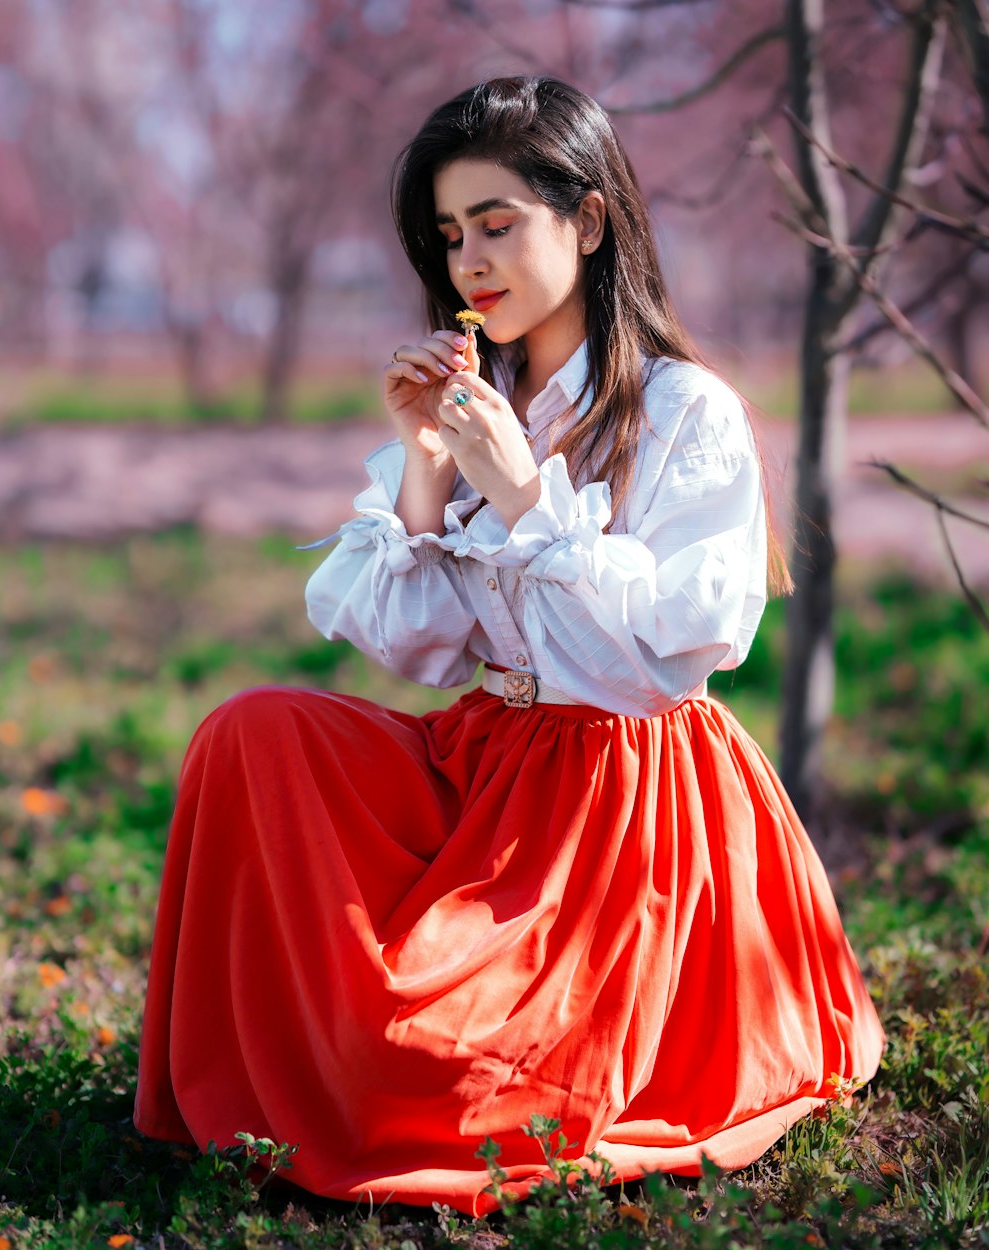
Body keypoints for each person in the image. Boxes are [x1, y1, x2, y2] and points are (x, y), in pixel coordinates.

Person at [134, 76, 885, 1216]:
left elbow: (673, 658)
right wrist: (427, 464)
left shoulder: (683, 411)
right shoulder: (481, 395)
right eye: (448, 235)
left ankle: (393, 1064)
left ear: (585, 221)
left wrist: (530, 497)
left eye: (497, 224)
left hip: (629, 797)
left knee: (433, 1062)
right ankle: (283, 1061)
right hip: (487, 759)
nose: (468, 262)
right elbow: (418, 648)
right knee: (252, 732)